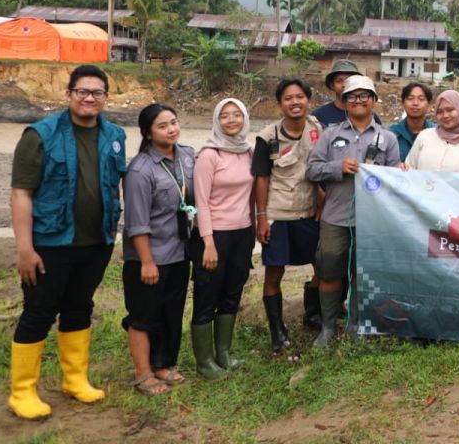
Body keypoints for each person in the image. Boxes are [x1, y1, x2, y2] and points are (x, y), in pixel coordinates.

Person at [7, 65, 127, 419]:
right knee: (39, 312)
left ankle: (75, 379)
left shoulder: (115, 135)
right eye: (82, 91)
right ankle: (22, 391)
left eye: (97, 92)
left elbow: (115, 186)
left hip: (97, 242)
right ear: (69, 94)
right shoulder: (40, 135)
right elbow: (21, 194)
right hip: (50, 243)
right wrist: (25, 249)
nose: (90, 98)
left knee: (79, 307)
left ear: (106, 97)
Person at [306, 75, 399, 346]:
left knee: (362, 273)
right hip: (335, 217)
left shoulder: (387, 138)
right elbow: (311, 169)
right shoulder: (330, 134)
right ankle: (327, 327)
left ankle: (356, 324)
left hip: (371, 220)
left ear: (373, 101)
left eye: (364, 95)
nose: (358, 100)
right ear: (344, 102)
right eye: (352, 96)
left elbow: (395, 179)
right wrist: (337, 168)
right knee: (329, 271)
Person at [121, 104, 194, 395]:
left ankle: (163, 364)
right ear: (148, 133)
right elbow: (136, 223)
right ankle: (143, 373)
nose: (171, 129)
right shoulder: (140, 169)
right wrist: (146, 261)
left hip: (179, 251)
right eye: (163, 126)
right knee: (143, 315)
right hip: (150, 256)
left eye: (174, 122)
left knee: (170, 311)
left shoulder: (187, 156)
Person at [252, 78, 324, 354]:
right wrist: (261, 217)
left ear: (308, 100)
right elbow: (261, 178)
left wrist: (322, 200)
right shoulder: (268, 137)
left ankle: (312, 313)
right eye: (288, 98)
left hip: (309, 212)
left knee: (321, 265)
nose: (295, 103)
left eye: (300, 97)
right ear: (280, 104)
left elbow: (320, 168)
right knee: (274, 273)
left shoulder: (317, 129)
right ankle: (277, 329)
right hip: (278, 214)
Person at [189, 98, 255, 380]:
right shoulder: (208, 155)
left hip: (243, 233)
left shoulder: (249, 151)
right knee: (207, 294)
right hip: (213, 235)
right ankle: (204, 361)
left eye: (236, 115)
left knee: (232, 292)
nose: (231, 120)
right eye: (225, 116)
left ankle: (223, 354)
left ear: (244, 119)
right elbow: (201, 202)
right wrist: (208, 242)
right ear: (217, 120)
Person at [404, 90, 459, 174]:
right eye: (440, 112)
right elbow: (409, 170)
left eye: (450, 110)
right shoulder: (424, 137)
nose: (445, 115)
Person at [313, 59, 381, 127]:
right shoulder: (319, 115)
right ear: (332, 85)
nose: (344, 85)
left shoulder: (370, 116)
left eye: (349, 81)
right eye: (339, 81)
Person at [389, 82, 435, 163]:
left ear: (429, 105)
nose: (415, 103)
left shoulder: (437, 134)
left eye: (421, 99)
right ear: (403, 104)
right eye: (410, 98)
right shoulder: (391, 134)